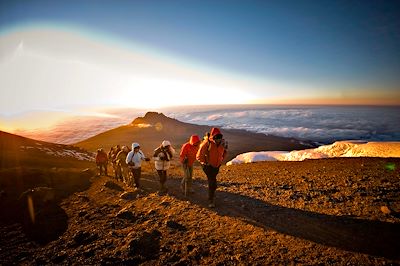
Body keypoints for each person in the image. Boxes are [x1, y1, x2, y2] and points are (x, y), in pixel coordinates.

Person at [196, 128, 228, 208]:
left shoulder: (222, 144)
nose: (218, 139)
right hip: (208, 167)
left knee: (213, 181)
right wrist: (206, 163)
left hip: (216, 166)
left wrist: (220, 161)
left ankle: (212, 193)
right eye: (216, 137)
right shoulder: (207, 143)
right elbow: (198, 156)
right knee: (211, 182)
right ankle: (211, 200)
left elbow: (223, 153)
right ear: (213, 137)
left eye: (219, 137)